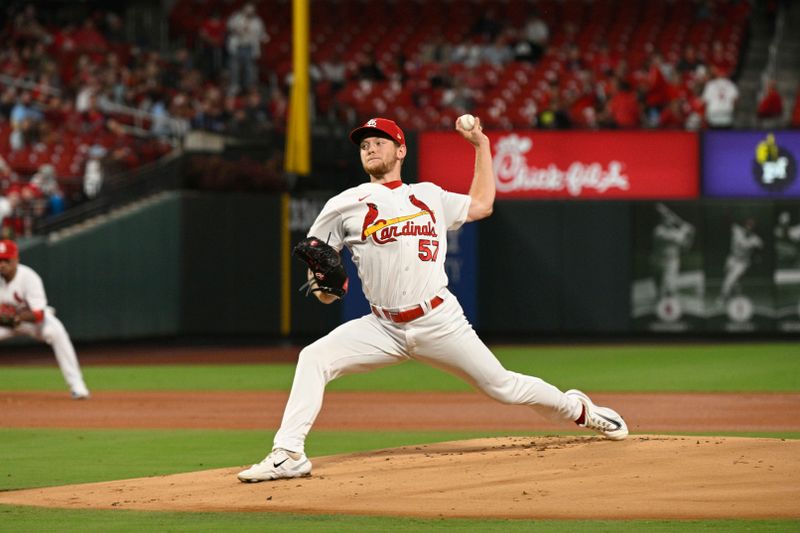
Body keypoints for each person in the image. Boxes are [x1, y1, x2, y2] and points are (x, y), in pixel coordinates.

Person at [237, 117, 628, 483]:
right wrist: (324, 287)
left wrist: (481, 146)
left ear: (400, 150)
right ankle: (288, 453)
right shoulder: (343, 205)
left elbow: (482, 204)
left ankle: (581, 411)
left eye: (380, 142)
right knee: (313, 358)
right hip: (382, 326)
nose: (371, 148)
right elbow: (319, 273)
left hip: (439, 321)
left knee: (504, 386)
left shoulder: (428, 195)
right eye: (365, 145)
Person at [0, 240, 90, 399]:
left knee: (56, 332)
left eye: (6, 260)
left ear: (16, 259)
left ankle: (77, 386)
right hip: (5, 325)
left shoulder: (29, 277)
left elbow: (38, 314)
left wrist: (16, 317)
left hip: (32, 323)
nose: (2, 264)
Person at [651, 203, 695, 300]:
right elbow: (675, 238)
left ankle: (670, 301)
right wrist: (685, 230)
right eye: (666, 218)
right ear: (662, 220)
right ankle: (660, 299)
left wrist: (691, 236)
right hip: (658, 261)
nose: (669, 220)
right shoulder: (658, 231)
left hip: (672, 261)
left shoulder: (676, 231)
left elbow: (685, 247)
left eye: (670, 219)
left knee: (670, 287)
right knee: (658, 289)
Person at [719, 218, 763, 303]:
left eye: (751, 227)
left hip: (743, 262)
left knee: (729, 279)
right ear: (744, 226)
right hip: (731, 258)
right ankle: (737, 297)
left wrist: (757, 256)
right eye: (747, 225)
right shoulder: (737, 230)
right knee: (734, 281)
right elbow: (726, 221)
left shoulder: (756, 239)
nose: (749, 228)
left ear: (754, 229)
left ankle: (722, 298)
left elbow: (762, 249)